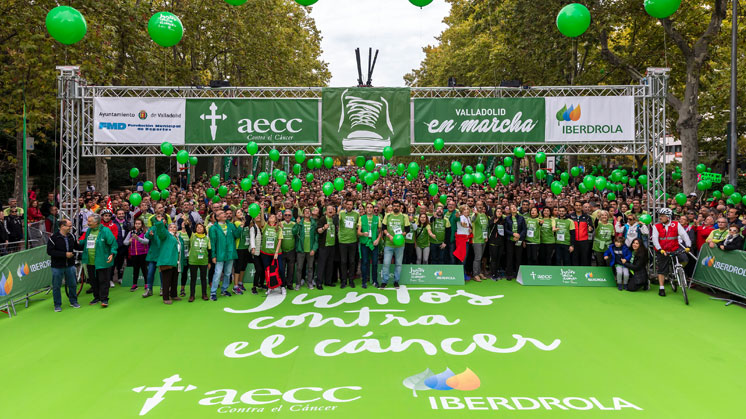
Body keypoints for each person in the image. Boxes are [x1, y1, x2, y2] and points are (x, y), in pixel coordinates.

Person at [77, 214, 117, 307]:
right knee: (93, 280)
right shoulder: (89, 231)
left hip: (102, 260)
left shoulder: (105, 230)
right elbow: (86, 241)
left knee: (103, 280)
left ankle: (104, 299)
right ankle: (96, 297)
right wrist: (79, 242)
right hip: (90, 261)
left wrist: (112, 254)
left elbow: (113, 243)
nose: (88, 223)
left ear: (96, 222)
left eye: (90, 221)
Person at [651, 208, 691, 297]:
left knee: (684, 259)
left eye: (662, 216)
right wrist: (659, 249)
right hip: (662, 249)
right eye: (660, 216)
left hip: (674, 247)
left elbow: (684, 234)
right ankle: (661, 288)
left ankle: (677, 271)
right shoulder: (656, 226)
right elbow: (654, 239)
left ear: (668, 217)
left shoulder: (676, 224)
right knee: (662, 268)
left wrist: (688, 246)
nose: (660, 218)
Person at [46, 219, 81, 312]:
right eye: (69, 226)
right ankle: (57, 305)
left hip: (70, 265)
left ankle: (73, 301)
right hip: (57, 266)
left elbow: (77, 247)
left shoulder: (72, 236)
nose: (71, 227)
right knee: (56, 286)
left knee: (73, 284)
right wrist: (65, 254)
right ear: (62, 226)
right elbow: (50, 251)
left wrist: (85, 242)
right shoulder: (53, 238)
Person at [208, 210, 241, 300]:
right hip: (219, 254)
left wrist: (241, 226)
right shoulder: (213, 228)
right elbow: (213, 243)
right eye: (222, 213)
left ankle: (224, 289)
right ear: (217, 217)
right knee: (218, 273)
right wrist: (213, 256)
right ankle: (213, 292)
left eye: (224, 212)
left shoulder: (230, 225)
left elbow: (237, 235)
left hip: (230, 253)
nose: (225, 214)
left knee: (228, 273)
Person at [153, 217, 185, 305]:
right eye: (171, 227)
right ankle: (165, 297)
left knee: (175, 279)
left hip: (176, 261)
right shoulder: (166, 235)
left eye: (175, 227)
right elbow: (160, 232)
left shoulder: (179, 237)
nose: (173, 228)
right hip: (167, 261)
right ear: (168, 228)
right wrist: (160, 223)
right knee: (166, 280)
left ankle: (174, 294)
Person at [381, 200, 410, 289]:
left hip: (400, 245)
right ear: (392, 207)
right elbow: (383, 228)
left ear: (400, 207)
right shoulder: (387, 215)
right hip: (389, 243)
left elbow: (407, 229)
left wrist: (401, 235)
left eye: (397, 206)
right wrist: (389, 236)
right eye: (394, 206)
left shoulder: (404, 216)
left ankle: (396, 281)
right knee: (386, 263)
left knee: (398, 264)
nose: (396, 207)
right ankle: (384, 281)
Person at [256, 212, 285, 295]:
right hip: (265, 253)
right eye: (270, 216)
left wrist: (276, 252)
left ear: (276, 219)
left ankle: (282, 286)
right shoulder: (265, 226)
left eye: (273, 216)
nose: (271, 217)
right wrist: (262, 209)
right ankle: (270, 286)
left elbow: (280, 240)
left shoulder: (278, 228)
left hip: (276, 253)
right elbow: (261, 219)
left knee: (280, 269)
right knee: (267, 271)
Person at [358, 203, 381, 288]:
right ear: (365, 209)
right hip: (365, 243)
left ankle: (375, 281)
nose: (369, 209)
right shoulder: (361, 218)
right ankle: (364, 281)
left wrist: (378, 239)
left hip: (374, 243)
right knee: (364, 262)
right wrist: (363, 234)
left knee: (375, 263)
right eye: (367, 207)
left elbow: (380, 231)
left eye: (371, 207)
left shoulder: (377, 218)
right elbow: (358, 232)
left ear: (373, 209)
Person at [294, 207, 318, 290]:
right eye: (305, 211)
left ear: (310, 214)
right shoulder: (299, 223)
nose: (307, 212)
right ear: (303, 214)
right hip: (301, 249)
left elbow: (316, 238)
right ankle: (298, 284)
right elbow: (294, 232)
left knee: (310, 268)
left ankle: (310, 283)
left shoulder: (314, 223)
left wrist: (314, 249)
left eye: (309, 211)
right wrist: (297, 224)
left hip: (310, 250)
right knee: (299, 268)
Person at [123, 218, 149, 292]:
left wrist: (138, 239)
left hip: (143, 253)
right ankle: (134, 284)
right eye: (136, 224)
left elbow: (146, 241)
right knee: (135, 269)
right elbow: (125, 242)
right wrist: (129, 241)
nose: (137, 225)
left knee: (144, 269)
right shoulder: (131, 232)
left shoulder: (144, 232)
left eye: (139, 224)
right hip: (134, 253)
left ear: (142, 224)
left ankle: (146, 284)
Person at [316, 205, 338, 289]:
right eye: (328, 209)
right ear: (325, 211)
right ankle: (319, 283)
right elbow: (318, 231)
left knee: (330, 264)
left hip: (332, 245)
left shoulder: (334, 219)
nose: (330, 210)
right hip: (324, 246)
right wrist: (323, 228)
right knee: (322, 264)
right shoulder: (322, 219)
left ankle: (328, 281)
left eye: (332, 209)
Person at [504, 204, 526, 281]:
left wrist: (519, 236)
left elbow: (524, 229)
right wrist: (513, 234)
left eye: (514, 207)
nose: (513, 208)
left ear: (517, 209)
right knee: (509, 257)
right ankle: (509, 274)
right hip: (510, 240)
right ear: (509, 210)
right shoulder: (507, 219)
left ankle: (518, 274)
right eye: (511, 208)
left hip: (519, 240)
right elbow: (506, 229)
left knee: (518, 257)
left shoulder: (521, 218)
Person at [188, 223, 210, 301]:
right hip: (193, 261)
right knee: (193, 279)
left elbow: (209, 250)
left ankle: (204, 294)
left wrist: (209, 262)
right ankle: (192, 295)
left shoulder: (207, 238)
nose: (199, 228)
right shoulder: (193, 236)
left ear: (204, 229)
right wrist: (186, 222)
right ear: (196, 229)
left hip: (204, 261)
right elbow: (188, 229)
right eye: (198, 227)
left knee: (203, 278)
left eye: (201, 227)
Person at [570, 201, 593, 266]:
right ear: (574, 207)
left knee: (584, 259)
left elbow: (591, 228)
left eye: (579, 205)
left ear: (582, 207)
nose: (578, 207)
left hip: (584, 241)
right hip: (574, 241)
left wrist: (590, 229)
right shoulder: (570, 216)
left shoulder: (587, 217)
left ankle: (584, 273)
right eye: (576, 205)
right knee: (574, 259)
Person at [280, 210, 298, 289]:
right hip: (282, 250)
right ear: (284, 216)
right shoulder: (280, 224)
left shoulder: (294, 224)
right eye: (286, 215)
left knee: (291, 269)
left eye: (289, 215)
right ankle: (282, 283)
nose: (287, 216)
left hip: (291, 250)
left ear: (291, 216)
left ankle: (289, 284)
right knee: (282, 268)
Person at [470, 202, 489, 279]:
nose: (480, 206)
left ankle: (479, 272)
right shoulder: (474, 214)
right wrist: (475, 214)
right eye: (478, 205)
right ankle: (475, 274)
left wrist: (486, 235)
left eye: (481, 205)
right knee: (477, 258)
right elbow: (472, 220)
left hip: (483, 239)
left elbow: (485, 227)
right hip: (476, 239)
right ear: (476, 206)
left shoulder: (484, 215)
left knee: (480, 257)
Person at [454, 204, 472, 279]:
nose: (466, 210)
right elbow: (462, 224)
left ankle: (462, 274)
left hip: (466, 239)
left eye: (467, 209)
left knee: (464, 257)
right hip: (461, 240)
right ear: (461, 211)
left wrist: (470, 230)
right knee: (462, 258)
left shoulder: (468, 218)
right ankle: (460, 275)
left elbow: (468, 228)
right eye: (464, 209)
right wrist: (466, 226)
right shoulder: (461, 217)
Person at [488, 207, 505, 279]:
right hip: (493, 242)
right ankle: (493, 273)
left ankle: (497, 272)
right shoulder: (492, 219)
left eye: (500, 211)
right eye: (498, 211)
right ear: (495, 212)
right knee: (494, 259)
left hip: (501, 242)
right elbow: (488, 226)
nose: (499, 213)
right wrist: (493, 223)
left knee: (499, 258)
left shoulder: (503, 221)